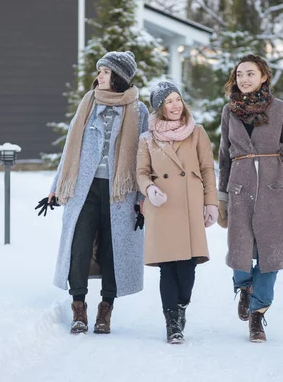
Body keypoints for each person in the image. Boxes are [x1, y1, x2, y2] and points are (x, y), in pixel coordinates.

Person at [48, 51, 149, 334]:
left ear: (118, 76)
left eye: (105, 72)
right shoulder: (88, 105)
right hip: (84, 187)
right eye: (100, 71)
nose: (99, 76)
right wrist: (56, 187)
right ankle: (78, 308)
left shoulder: (138, 111)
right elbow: (70, 148)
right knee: (79, 245)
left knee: (112, 248)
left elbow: (144, 157)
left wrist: (142, 200)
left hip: (121, 193)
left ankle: (106, 309)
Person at [217, 54, 283, 342]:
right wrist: (221, 198)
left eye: (250, 74)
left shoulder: (281, 110)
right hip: (239, 190)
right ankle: (244, 287)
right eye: (240, 74)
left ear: (264, 77)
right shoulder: (229, 111)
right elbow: (224, 156)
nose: (244, 79)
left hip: (274, 191)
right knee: (239, 254)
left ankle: (257, 315)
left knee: (271, 256)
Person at [136, 81, 218, 344]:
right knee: (168, 268)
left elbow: (207, 169)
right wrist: (149, 190)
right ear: (159, 107)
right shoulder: (147, 138)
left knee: (187, 268)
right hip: (162, 206)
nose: (175, 105)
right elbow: (141, 173)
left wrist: (211, 203)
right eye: (169, 101)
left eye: (178, 100)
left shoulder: (197, 133)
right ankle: (172, 322)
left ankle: (181, 306)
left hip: (190, 205)